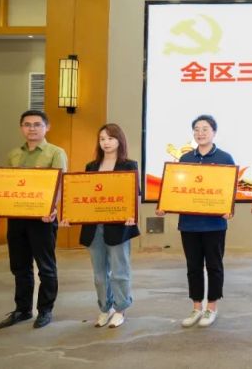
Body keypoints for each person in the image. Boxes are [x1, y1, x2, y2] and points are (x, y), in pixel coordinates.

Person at [0, 110, 67, 329]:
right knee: (19, 266)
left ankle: (45, 310)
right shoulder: (14, 154)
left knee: (46, 267)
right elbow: (6, 184)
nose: (32, 128)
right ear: (21, 128)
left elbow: (60, 184)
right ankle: (23, 309)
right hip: (17, 218)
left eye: (37, 124)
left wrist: (53, 208)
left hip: (43, 219)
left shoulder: (56, 153)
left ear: (47, 127)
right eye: (27, 125)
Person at [156, 115, 234, 328]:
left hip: (214, 224)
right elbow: (176, 188)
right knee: (193, 267)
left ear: (214, 132)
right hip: (189, 224)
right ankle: (196, 307)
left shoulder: (225, 158)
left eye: (205, 129)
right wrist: (165, 205)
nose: (201, 133)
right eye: (197, 129)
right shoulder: (185, 159)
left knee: (214, 266)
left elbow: (230, 190)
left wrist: (229, 209)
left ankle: (211, 308)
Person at [78, 124, 139, 328]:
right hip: (93, 226)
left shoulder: (129, 165)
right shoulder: (91, 166)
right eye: (102, 139)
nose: (106, 142)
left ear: (119, 141)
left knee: (120, 272)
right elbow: (83, 194)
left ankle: (120, 309)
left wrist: (132, 215)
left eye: (111, 138)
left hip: (118, 226)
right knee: (99, 274)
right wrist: (71, 214)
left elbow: (135, 194)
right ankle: (105, 308)